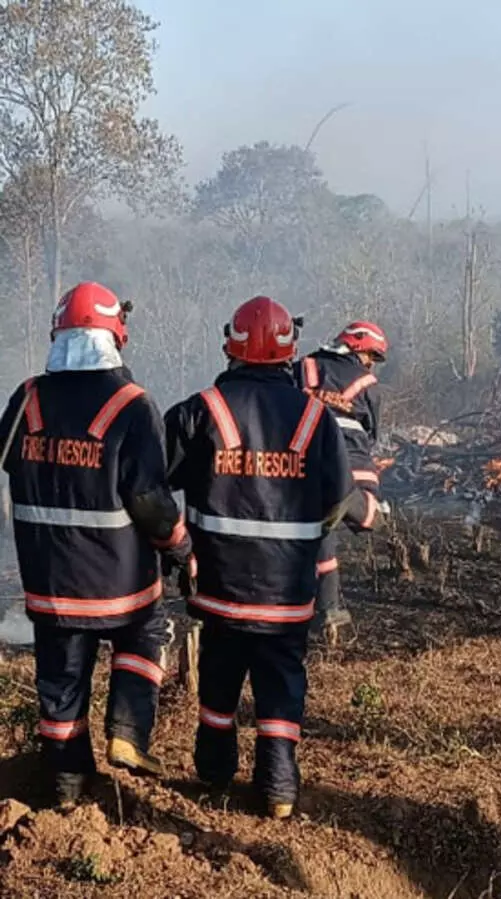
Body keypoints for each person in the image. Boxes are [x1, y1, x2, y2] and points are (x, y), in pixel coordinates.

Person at [164, 296, 365, 819]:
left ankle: (213, 777)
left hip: (221, 588)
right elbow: (341, 500)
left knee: (219, 679)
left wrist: (179, 547)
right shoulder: (316, 419)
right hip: (286, 593)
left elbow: (151, 481)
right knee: (281, 685)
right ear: (289, 351)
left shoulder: (197, 412)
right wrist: (302, 540)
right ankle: (278, 788)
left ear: (229, 345)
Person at [0, 282, 191, 806]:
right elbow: (150, 500)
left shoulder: (27, 398)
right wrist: (180, 547)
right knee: (145, 632)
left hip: (50, 587)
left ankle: (64, 787)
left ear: (58, 335)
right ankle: (127, 733)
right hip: (120, 585)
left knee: (61, 685)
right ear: (116, 337)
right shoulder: (132, 405)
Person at [294, 321, 388, 645]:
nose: (371, 363)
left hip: (306, 450)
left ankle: (326, 607)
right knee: (372, 514)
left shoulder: (302, 367)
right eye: (371, 356)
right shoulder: (367, 382)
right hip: (350, 452)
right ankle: (348, 499)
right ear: (358, 348)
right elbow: (373, 430)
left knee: (319, 526)